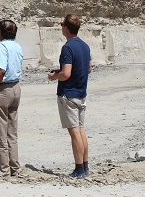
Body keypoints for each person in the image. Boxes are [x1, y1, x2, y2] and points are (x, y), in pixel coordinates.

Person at [48, 14, 92, 179]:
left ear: (66, 28)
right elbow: (88, 68)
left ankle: (79, 169)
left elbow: (66, 74)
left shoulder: (68, 47)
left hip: (69, 94)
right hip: (81, 92)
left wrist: (54, 76)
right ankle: (85, 166)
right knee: (81, 131)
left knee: (74, 133)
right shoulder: (85, 46)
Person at [0, 19, 23, 177]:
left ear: (1, 33)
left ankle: (4, 171)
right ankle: (15, 168)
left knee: (0, 132)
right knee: (11, 132)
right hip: (15, 88)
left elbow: (1, 71)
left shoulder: (1, 47)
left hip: (3, 90)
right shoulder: (17, 46)